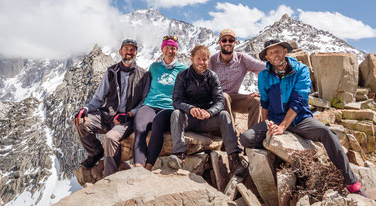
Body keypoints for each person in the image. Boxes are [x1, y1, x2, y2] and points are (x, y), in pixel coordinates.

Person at [239, 39, 366, 196]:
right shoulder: (264, 76)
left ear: (285, 52)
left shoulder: (301, 70)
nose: (275, 55)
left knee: (327, 134)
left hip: (300, 119)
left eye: (277, 51)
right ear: (267, 58)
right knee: (245, 138)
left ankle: (352, 183)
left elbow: (299, 101)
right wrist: (267, 124)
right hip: (275, 120)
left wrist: (284, 126)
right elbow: (264, 103)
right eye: (270, 53)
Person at [167, 45, 248, 175]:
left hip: (207, 120)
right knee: (176, 114)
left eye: (205, 59)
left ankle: (234, 158)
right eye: (198, 59)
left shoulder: (212, 77)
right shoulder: (182, 76)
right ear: (192, 59)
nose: (201, 62)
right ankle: (179, 155)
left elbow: (220, 101)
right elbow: (176, 101)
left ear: (208, 60)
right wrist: (191, 108)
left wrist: (209, 112)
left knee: (224, 115)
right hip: (189, 119)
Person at [73, 39, 149, 176]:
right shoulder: (111, 72)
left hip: (127, 119)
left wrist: (129, 114)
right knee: (81, 122)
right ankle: (95, 152)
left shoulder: (143, 75)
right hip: (108, 115)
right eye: (126, 49)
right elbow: (98, 98)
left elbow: (144, 102)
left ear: (136, 52)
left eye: (132, 50)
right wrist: (85, 109)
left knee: (110, 138)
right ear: (120, 52)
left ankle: (110, 177)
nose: (129, 52)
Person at [132, 35, 187, 170]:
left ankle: (148, 165)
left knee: (157, 125)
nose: (170, 51)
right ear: (162, 50)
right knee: (140, 127)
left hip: (169, 107)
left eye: (173, 48)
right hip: (150, 104)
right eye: (167, 47)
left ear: (176, 50)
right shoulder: (154, 67)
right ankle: (138, 166)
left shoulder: (183, 69)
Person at [209, 28, 266, 130]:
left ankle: (252, 137)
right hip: (216, 100)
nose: (227, 43)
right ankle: (231, 136)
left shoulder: (242, 59)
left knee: (257, 101)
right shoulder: (211, 61)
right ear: (219, 42)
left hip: (235, 98)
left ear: (235, 42)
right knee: (224, 96)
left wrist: (261, 92)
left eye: (231, 40)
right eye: (224, 40)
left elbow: (264, 69)